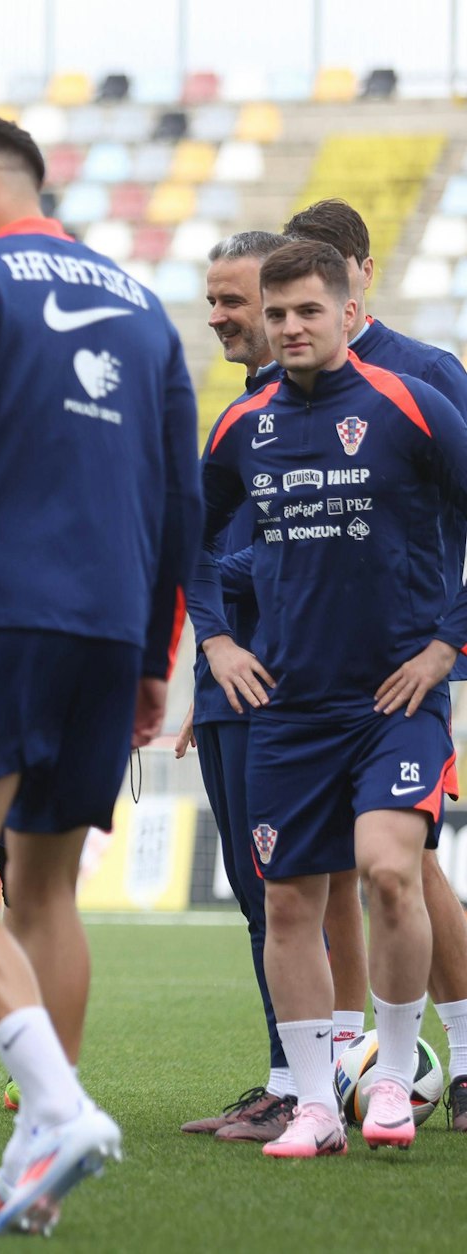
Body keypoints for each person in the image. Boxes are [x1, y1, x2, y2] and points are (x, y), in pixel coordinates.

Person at [0, 114, 199, 1232]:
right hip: (108, 629)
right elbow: (179, 500)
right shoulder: (142, 306)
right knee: (45, 895)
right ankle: (40, 1161)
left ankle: (59, 1108)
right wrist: (151, 659)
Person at [196, 239, 467, 1157]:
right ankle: (315, 1103)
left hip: (395, 702)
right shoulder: (243, 427)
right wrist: (220, 640)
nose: (290, 327)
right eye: (278, 315)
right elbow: (189, 545)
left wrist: (447, 644)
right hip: (289, 707)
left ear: (350, 310)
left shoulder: (411, 406)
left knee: (391, 872)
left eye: (309, 310)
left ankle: (391, 1075)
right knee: (287, 906)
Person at [284, 197, 467, 1129]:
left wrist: (450, 639)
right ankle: (336, 1068)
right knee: (342, 877)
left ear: (360, 273)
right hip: (311, 673)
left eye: (321, 279)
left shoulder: (427, 373)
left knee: (407, 868)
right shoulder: (278, 390)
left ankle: (458, 1058)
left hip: (415, 668)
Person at [173, 230, 305, 1143]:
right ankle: (288, 1077)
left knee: (299, 895)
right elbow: (202, 546)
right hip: (230, 690)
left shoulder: (314, 412)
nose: (217, 317)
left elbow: (301, 549)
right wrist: (208, 656)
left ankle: (349, 1072)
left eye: (233, 301)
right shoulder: (240, 417)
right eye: (212, 301)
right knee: (261, 896)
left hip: (297, 689)